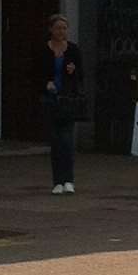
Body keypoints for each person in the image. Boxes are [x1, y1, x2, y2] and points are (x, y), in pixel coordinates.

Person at [36, 14, 83, 195]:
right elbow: (35, 73)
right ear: (51, 30)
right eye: (58, 28)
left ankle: (69, 180)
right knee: (55, 141)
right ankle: (57, 181)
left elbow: (82, 74)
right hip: (50, 99)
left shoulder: (73, 50)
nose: (61, 31)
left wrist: (74, 70)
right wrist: (45, 84)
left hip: (67, 99)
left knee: (67, 140)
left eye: (64, 28)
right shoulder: (43, 50)